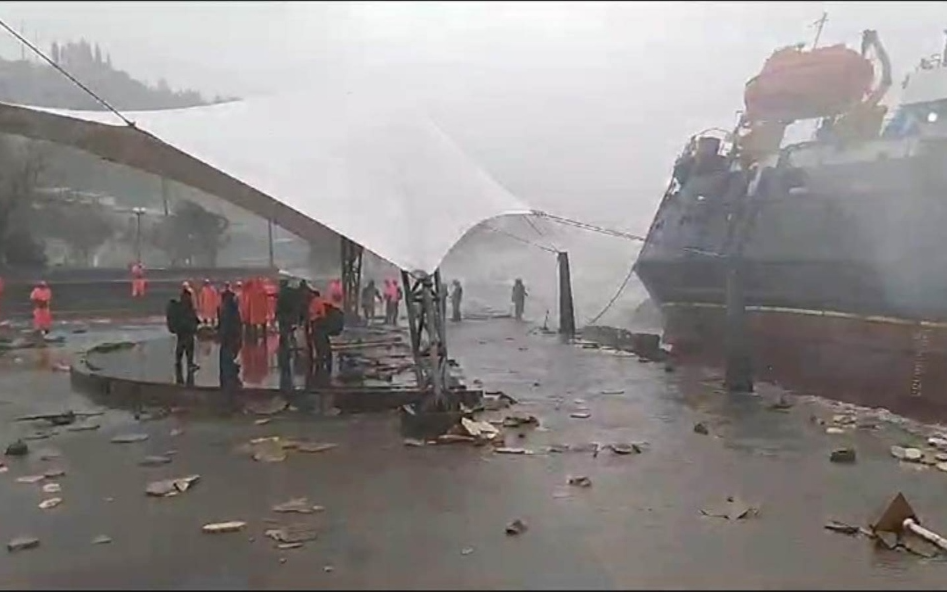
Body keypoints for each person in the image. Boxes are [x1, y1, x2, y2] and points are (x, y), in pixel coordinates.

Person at [169, 285, 200, 384]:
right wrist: (196, 324)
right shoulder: (188, 305)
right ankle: (190, 364)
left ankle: (178, 362)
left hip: (180, 329)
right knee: (189, 348)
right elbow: (192, 316)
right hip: (188, 329)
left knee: (180, 346)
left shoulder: (179, 305)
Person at [217, 286, 242, 390]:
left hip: (228, 338)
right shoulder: (233, 310)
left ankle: (227, 382)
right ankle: (231, 380)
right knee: (230, 359)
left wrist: (221, 335)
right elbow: (237, 324)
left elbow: (224, 325)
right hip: (232, 338)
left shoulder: (225, 310)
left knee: (226, 360)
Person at [307, 288, 332, 381]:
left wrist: (315, 317)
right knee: (320, 340)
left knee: (318, 340)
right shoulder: (319, 301)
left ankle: (320, 356)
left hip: (316, 322)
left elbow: (315, 313)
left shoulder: (315, 301)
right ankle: (323, 355)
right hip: (318, 322)